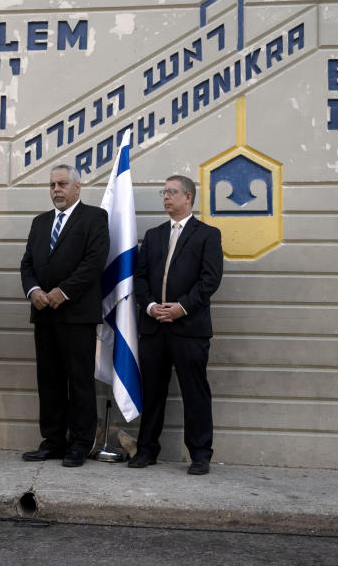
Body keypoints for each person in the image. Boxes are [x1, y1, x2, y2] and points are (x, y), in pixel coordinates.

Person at [128, 175, 223, 475]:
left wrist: (181, 308)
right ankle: (146, 449)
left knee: (194, 391)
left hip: (189, 328)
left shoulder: (207, 234)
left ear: (188, 197)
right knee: (152, 390)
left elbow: (210, 280)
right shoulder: (154, 235)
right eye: (164, 192)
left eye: (172, 192)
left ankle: (200, 454)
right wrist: (152, 306)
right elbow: (139, 277)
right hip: (154, 326)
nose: (166, 197)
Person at [19, 165, 108, 467]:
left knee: (79, 381)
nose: (56, 189)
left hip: (77, 315)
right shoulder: (40, 222)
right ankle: (53, 440)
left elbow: (94, 262)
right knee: (49, 380)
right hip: (44, 314)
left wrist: (63, 291)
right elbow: (27, 263)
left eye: (62, 184)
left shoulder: (95, 218)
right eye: (52, 185)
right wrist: (33, 291)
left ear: (77, 187)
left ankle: (81, 443)